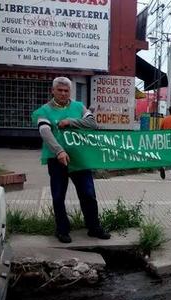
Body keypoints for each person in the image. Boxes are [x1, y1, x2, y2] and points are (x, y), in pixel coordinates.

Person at [31, 77, 111, 244]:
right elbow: (45, 132)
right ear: (52, 91)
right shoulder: (43, 111)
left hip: (80, 158)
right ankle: (62, 230)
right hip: (57, 159)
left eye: (66, 90)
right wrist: (59, 151)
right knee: (58, 196)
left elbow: (92, 124)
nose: (63, 93)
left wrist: (70, 121)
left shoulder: (78, 106)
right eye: (59, 90)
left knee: (88, 194)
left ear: (70, 92)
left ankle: (94, 227)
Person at [159, 104, 171, 181]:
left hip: (165, 141)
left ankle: (163, 167)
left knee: (166, 156)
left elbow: (160, 130)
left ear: (169, 111)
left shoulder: (165, 119)